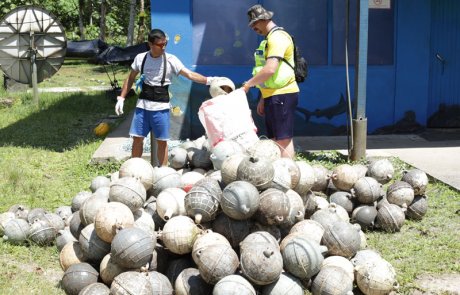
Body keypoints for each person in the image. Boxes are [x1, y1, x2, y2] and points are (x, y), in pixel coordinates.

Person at [115, 29, 218, 166]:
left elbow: (190, 75)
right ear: (150, 44)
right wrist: (121, 98)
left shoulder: (171, 60)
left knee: (162, 142)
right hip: (142, 107)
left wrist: (209, 80)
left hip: (161, 108)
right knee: (137, 139)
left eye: (165, 44)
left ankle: (162, 172)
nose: (163, 47)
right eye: (160, 45)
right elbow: (130, 78)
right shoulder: (141, 58)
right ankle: (134, 168)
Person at [241, 4, 299, 159]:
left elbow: (270, 69)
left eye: (254, 23)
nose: (253, 27)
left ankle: (287, 175)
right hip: (272, 95)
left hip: (282, 95)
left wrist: (248, 84)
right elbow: (269, 75)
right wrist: (262, 97)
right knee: (275, 138)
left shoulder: (277, 38)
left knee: (283, 139)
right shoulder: (269, 39)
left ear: (264, 19)